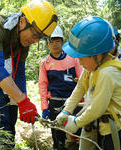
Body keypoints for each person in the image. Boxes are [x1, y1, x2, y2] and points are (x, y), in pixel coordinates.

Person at [0, 0, 58, 149]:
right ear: (22, 21)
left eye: (41, 37)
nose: (35, 40)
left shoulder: (22, 42)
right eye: (36, 33)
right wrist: (22, 101)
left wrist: (25, 102)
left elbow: (19, 74)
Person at [56, 16, 121, 150]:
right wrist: (66, 111)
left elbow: (97, 108)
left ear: (97, 55)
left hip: (114, 132)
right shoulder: (92, 67)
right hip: (99, 127)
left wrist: (76, 122)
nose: (79, 62)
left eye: (82, 57)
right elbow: (80, 87)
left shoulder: (107, 73)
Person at [38, 25, 82, 150]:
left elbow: (82, 80)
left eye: (58, 41)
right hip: (55, 103)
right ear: (47, 44)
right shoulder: (44, 63)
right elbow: (42, 86)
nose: (55, 44)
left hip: (74, 102)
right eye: (51, 41)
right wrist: (45, 107)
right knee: (58, 137)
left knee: (79, 134)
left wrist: (84, 101)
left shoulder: (73, 59)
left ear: (62, 42)